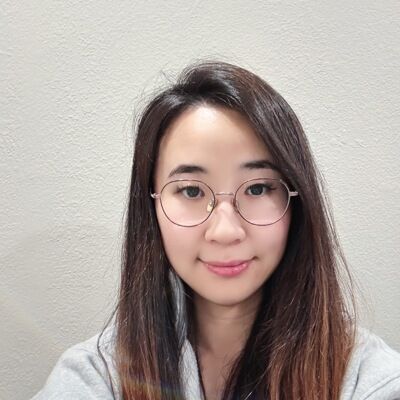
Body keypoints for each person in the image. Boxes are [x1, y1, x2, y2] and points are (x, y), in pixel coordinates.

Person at [31, 61, 400, 400]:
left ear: (296, 202)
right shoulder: (97, 377)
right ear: (152, 206)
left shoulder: (366, 379)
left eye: (258, 188)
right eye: (191, 191)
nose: (225, 231)